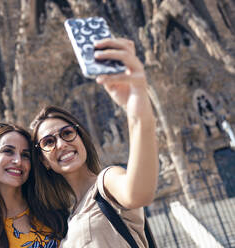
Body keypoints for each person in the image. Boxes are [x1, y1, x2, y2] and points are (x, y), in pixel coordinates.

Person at [30, 38, 159, 247]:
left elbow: (138, 192)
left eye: (67, 133)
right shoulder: (68, 220)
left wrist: (136, 104)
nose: (61, 144)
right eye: (49, 141)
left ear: (82, 138)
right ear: (43, 160)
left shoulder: (107, 183)